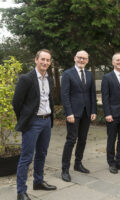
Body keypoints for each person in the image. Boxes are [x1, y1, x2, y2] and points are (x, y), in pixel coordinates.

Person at [13, 49, 57, 200]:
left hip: (46, 121)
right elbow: (16, 102)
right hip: (33, 123)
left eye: (48, 60)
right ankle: (21, 191)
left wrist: (51, 117)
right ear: (36, 60)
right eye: (42, 59)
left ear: (50, 63)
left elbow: (49, 99)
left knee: (42, 154)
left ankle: (38, 182)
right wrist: (25, 118)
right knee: (26, 157)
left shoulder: (49, 79)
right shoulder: (27, 79)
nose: (45, 62)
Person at [60, 50, 97, 182]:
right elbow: (64, 95)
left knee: (83, 139)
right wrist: (68, 112)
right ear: (75, 58)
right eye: (79, 58)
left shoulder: (89, 74)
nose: (82, 60)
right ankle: (65, 169)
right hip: (73, 113)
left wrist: (93, 110)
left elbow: (92, 93)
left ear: (87, 60)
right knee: (71, 140)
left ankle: (78, 163)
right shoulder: (67, 74)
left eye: (84, 58)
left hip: (87, 112)